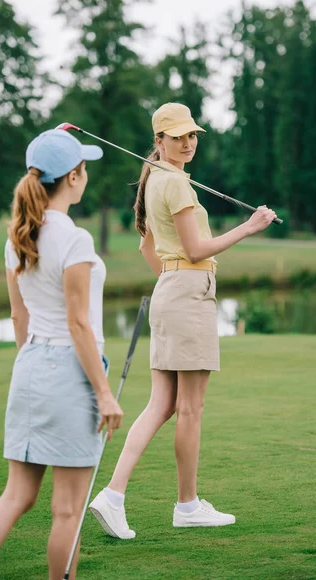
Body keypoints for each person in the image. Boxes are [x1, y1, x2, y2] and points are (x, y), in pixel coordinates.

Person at [89, 102, 277, 537]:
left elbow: (146, 250)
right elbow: (196, 250)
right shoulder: (175, 184)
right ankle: (186, 506)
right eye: (177, 137)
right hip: (186, 294)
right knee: (189, 407)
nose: (187, 143)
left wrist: (171, 283)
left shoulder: (155, 180)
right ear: (159, 141)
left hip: (172, 292)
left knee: (164, 404)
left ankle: (113, 496)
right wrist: (250, 227)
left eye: (191, 135)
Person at [0, 129, 122, 579]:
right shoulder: (75, 238)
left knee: (14, 499)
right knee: (67, 511)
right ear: (74, 177)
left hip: (29, 369)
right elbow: (78, 322)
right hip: (71, 375)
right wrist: (104, 393)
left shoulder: (16, 237)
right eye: (82, 167)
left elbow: (19, 318)